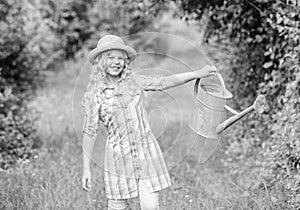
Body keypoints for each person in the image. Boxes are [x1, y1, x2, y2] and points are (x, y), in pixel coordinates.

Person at [81, 35, 216, 210]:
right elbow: (89, 132)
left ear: (125, 62)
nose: (116, 62)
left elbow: (164, 81)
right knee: (117, 205)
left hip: (146, 152)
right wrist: (86, 169)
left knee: (150, 206)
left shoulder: (134, 81)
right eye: (110, 57)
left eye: (120, 58)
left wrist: (198, 73)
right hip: (118, 157)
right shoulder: (94, 96)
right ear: (101, 61)